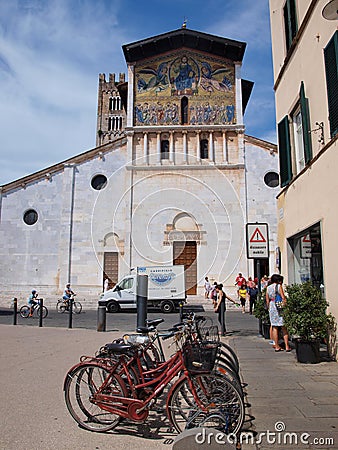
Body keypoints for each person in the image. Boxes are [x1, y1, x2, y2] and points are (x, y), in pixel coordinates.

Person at [266, 274, 291, 352]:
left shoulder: (268, 288)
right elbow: (283, 297)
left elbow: (267, 300)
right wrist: (286, 304)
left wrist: (269, 308)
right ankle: (287, 346)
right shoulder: (278, 286)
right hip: (279, 306)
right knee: (284, 327)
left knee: (274, 327)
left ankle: (276, 346)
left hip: (272, 306)